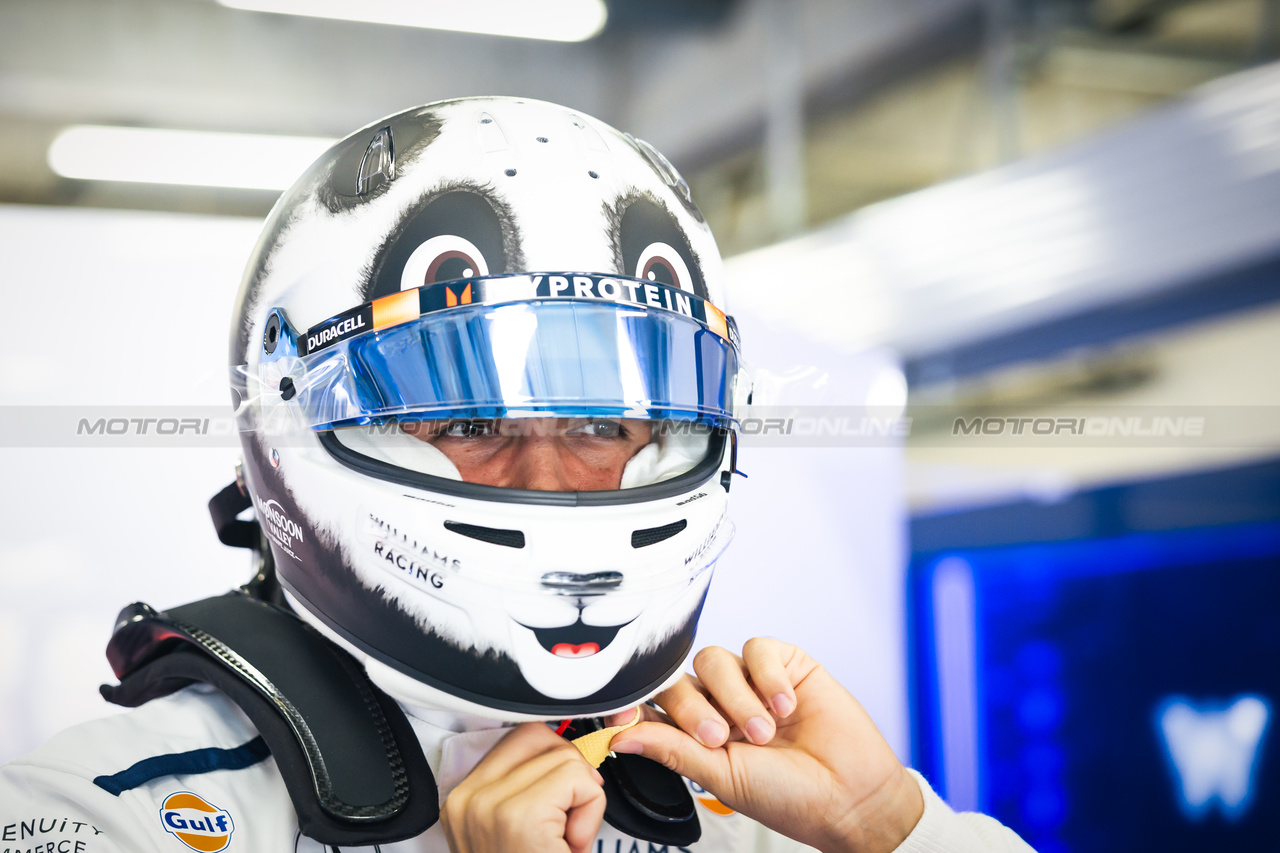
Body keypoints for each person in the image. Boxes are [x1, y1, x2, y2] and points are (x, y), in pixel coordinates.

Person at [0, 97, 1033, 853]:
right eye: (466, 420)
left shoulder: (743, 810)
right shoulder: (109, 811)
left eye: (602, 425)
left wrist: (890, 826)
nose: (550, 481)